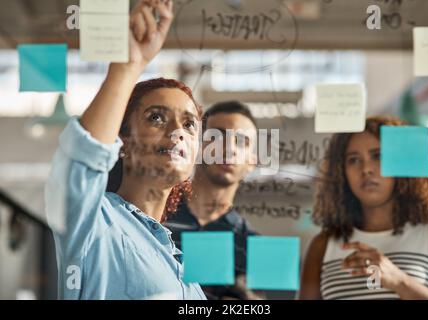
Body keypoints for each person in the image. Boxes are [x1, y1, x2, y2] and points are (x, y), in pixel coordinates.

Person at [45, 0, 206, 299]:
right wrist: (128, 66)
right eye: (156, 117)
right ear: (123, 143)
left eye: (189, 124)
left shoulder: (185, 272)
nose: (176, 133)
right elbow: (82, 158)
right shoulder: (95, 220)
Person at [300, 117, 428, 300]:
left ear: (401, 162)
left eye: (378, 156)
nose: (366, 169)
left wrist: (400, 282)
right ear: (341, 172)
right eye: (353, 160)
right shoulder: (322, 245)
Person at [164, 101, 265, 299]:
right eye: (216, 137)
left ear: (252, 161)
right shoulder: (154, 217)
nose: (229, 149)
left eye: (242, 141)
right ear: (197, 145)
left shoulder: (252, 247)